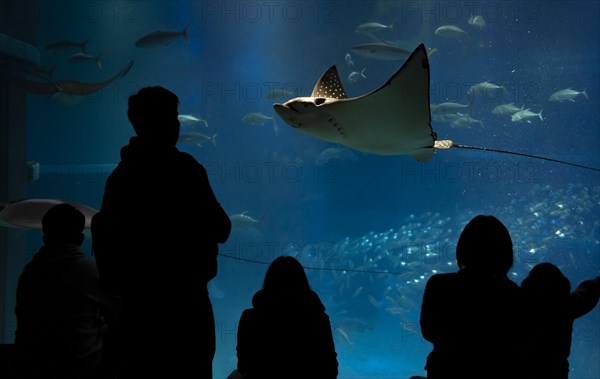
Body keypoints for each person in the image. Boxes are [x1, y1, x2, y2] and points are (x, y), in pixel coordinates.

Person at [91, 86, 231, 378]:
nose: (178, 124)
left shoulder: (120, 179)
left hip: (137, 312)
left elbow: (106, 241)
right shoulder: (187, 171)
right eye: (174, 117)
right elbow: (222, 228)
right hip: (187, 307)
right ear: (169, 124)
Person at [14, 203, 118, 379]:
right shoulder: (89, 271)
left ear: (45, 238)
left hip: (32, 370)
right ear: (80, 239)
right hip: (80, 372)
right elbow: (118, 313)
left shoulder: (27, 274)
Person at [418, 215, 523, 379]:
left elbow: (429, 331)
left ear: (463, 248)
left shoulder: (439, 284)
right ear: (504, 254)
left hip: (445, 370)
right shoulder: (512, 292)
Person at [229, 256, 338, 379]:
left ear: (269, 281)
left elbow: (243, 366)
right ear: (302, 282)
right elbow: (331, 369)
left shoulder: (249, 317)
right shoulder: (319, 319)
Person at [520, 262, 600, 379]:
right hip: (555, 372)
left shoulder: (518, 306)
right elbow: (587, 294)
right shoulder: (565, 306)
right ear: (563, 287)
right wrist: (597, 282)